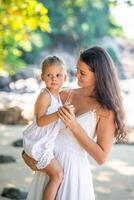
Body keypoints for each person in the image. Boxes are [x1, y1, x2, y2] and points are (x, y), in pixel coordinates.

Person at [22, 46, 127, 200]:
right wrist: (27, 153)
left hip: (73, 173)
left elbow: (101, 157)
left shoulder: (106, 110)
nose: (76, 74)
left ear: (99, 75)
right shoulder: (64, 94)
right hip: (48, 167)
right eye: (77, 69)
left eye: (82, 72)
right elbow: (38, 128)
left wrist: (74, 125)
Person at [23, 55, 74, 200]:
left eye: (58, 75)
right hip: (37, 143)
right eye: (49, 75)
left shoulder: (57, 97)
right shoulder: (45, 96)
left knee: (56, 176)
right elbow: (40, 121)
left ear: (65, 77)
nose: (54, 79)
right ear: (42, 77)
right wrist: (59, 113)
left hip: (44, 142)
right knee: (57, 175)